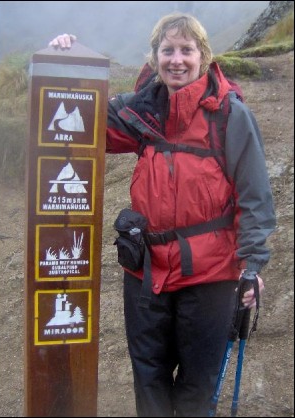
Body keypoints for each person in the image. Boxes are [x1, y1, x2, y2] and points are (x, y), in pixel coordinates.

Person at [49, 12, 276, 417]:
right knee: (149, 377)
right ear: (153, 58)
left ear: (202, 56)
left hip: (210, 275)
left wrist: (253, 262)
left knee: (196, 383)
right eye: (167, 50)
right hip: (146, 273)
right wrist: (65, 63)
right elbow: (82, 124)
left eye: (186, 50)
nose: (177, 59)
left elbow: (254, 195)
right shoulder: (141, 111)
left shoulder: (229, 115)